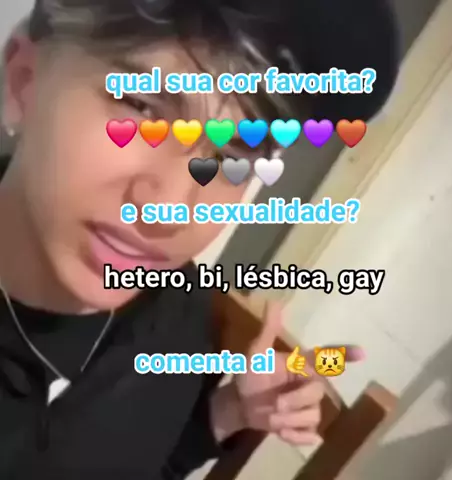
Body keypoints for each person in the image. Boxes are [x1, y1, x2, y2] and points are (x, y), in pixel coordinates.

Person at [0, 0, 399, 478]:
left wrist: (226, 414)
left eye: (234, 154)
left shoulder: (181, 318)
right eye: (141, 106)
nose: (171, 205)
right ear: (24, 79)